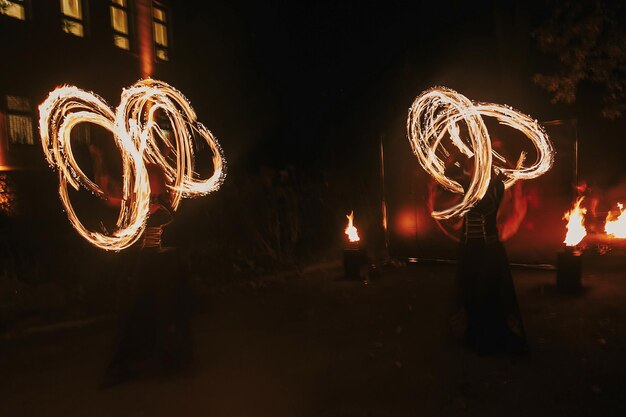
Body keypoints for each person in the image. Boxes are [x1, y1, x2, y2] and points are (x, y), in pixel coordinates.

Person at [100, 162, 193, 387]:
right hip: (143, 264)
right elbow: (112, 199)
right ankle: (123, 366)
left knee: (164, 311)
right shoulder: (138, 203)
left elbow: (168, 217)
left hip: (159, 263)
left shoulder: (160, 206)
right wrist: (101, 170)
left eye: (155, 181)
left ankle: (167, 360)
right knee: (136, 312)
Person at [453, 164, 529, 356]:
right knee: (471, 289)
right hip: (471, 248)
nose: (472, 171)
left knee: (489, 290)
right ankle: (475, 331)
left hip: (488, 250)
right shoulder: (470, 185)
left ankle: (488, 333)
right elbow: (448, 173)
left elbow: (484, 205)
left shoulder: (495, 187)